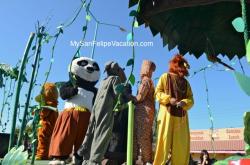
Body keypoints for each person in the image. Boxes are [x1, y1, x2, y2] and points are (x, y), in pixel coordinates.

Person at [153, 54, 194, 165]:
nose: (182, 69)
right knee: (163, 143)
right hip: (167, 116)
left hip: (181, 119)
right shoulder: (165, 77)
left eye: (184, 67)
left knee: (181, 146)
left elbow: (191, 99)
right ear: (175, 65)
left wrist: (184, 102)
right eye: (180, 66)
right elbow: (157, 93)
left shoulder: (186, 83)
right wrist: (168, 99)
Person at [133, 60, 156, 165]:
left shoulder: (146, 80)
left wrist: (129, 97)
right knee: (138, 136)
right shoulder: (148, 81)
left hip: (144, 112)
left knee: (143, 136)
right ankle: (136, 159)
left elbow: (140, 97)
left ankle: (147, 161)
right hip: (144, 111)